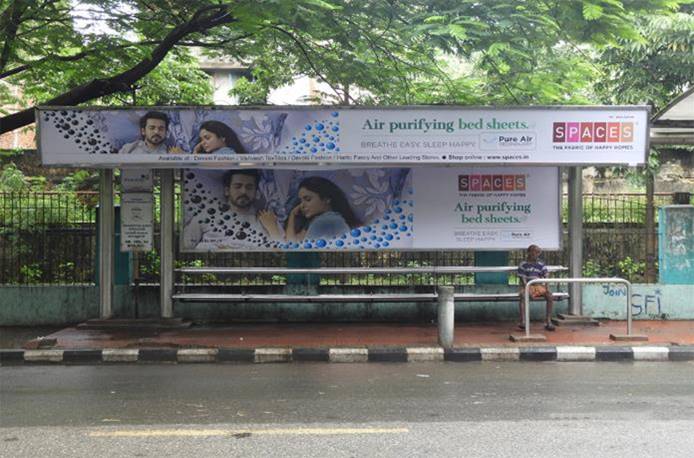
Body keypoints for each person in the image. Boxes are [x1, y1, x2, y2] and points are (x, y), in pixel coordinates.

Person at [259, 176, 360, 242]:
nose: (302, 205)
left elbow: (292, 251)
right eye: (301, 201)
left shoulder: (326, 221)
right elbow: (292, 242)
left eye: (307, 199)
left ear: (326, 199)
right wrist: (292, 216)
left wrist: (272, 228)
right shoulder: (330, 219)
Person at [185, 169, 267, 249]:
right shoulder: (205, 217)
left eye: (249, 187)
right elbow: (186, 246)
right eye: (237, 186)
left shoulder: (265, 221)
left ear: (256, 192)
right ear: (227, 191)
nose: (243, 191)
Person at [517, 244, 555, 331]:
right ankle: (523, 321)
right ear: (529, 252)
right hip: (528, 285)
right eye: (534, 252)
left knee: (550, 296)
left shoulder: (541, 264)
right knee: (523, 296)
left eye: (538, 252)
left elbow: (546, 277)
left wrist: (547, 288)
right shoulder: (523, 264)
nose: (536, 254)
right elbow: (522, 278)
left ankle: (548, 321)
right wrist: (527, 287)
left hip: (538, 286)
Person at [118, 111, 183, 154]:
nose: (156, 132)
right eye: (152, 128)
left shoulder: (173, 153)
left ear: (166, 132)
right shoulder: (128, 149)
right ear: (143, 131)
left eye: (161, 129)